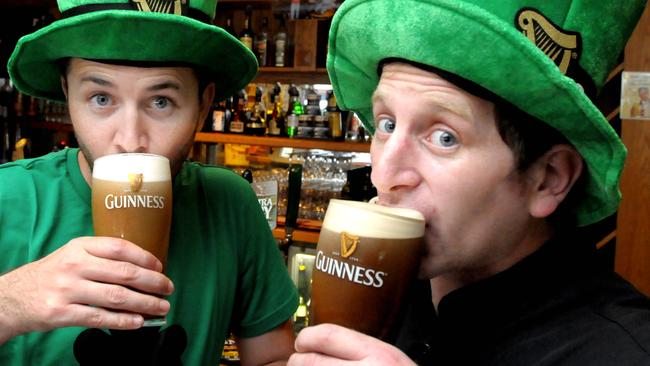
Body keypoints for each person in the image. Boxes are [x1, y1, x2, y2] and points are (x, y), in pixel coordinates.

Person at [289, 0, 650, 365]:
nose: (383, 175)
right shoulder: (385, 295)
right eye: (387, 124)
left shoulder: (623, 351)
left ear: (548, 179)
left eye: (445, 137)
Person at [0, 0, 298, 365]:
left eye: (161, 101)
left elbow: (273, 358)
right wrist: (9, 302)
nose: (129, 139)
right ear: (68, 94)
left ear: (203, 106)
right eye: (101, 98)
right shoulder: (8, 196)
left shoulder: (229, 202)